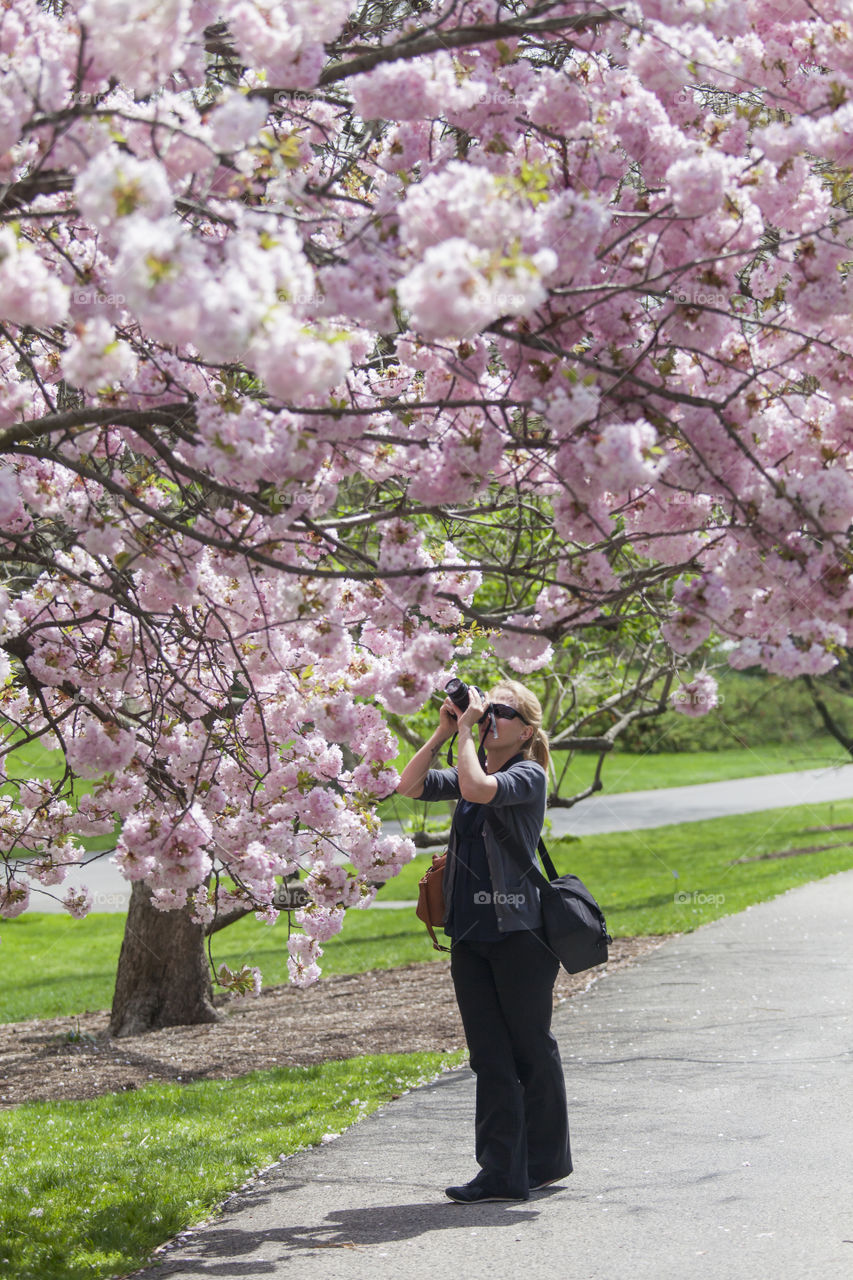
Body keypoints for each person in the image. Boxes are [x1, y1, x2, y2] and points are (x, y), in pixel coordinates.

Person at [396, 678, 572, 1204]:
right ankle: (499, 1171)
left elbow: (476, 788)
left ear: (526, 731)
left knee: (530, 1048)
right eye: (486, 707)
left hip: (521, 935)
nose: (489, 714)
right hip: (470, 934)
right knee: (488, 1055)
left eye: (501, 710)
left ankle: (542, 1162)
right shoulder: (476, 764)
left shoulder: (527, 774)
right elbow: (408, 786)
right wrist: (444, 730)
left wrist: (469, 731)